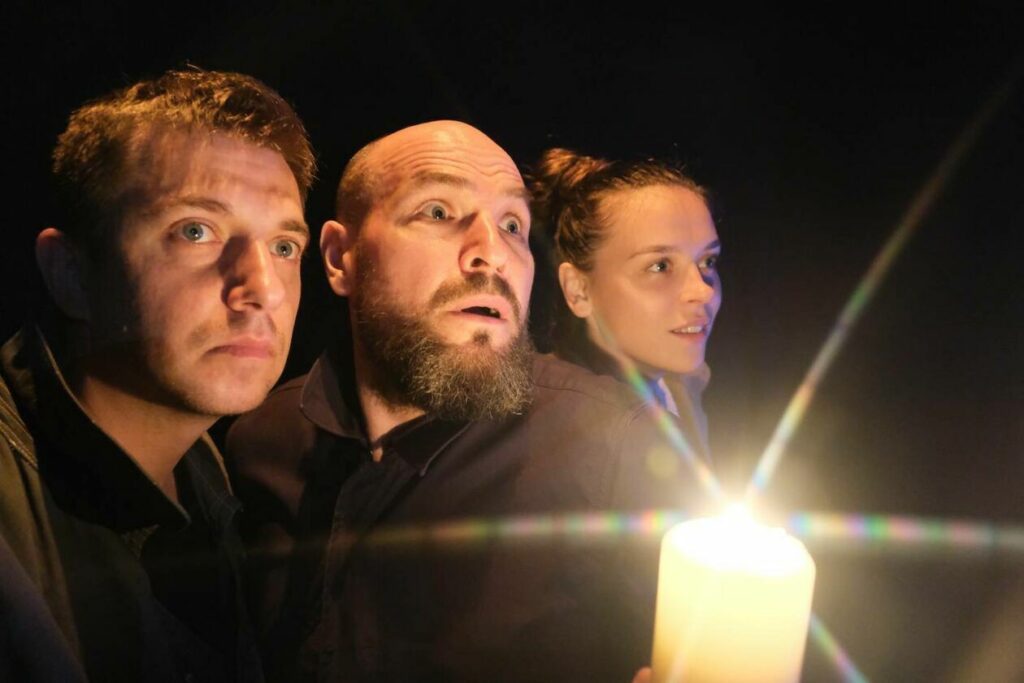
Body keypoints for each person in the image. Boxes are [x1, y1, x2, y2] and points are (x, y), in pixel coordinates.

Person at [227, 121, 710, 682]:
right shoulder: (261, 437)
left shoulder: (617, 444)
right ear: (340, 257)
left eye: (512, 226)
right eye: (438, 212)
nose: (492, 254)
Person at [0, 68, 314, 682]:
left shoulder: (210, 481)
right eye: (196, 231)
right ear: (71, 274)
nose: (264, 289)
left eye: (284, 246)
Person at [529, 149, 722, 462]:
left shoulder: (681, 386)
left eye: (707, 261)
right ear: (578, 290)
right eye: (660, 266)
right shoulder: (552, 440)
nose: (703, 290)